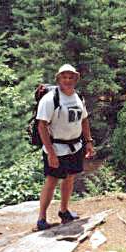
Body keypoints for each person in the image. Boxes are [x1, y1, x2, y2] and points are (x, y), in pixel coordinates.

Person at [36, 64, 95, 230]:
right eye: (64, 77)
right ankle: (41, 218)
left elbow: (84, 119)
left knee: (70, 177)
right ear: (58, 79)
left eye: (71, 77)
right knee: (52, 180)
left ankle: (64, 211)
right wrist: (51, 153)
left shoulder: (78, 97)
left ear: (75, 79)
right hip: (56, 147)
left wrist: (88, 141)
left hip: (75, 146)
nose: (67, 80)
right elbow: (42, 126)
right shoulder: (50, 99)